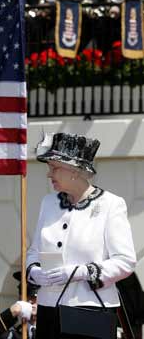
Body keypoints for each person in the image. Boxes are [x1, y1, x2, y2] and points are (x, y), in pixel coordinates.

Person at [26, 132, 136, 339]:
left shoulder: (111, 205)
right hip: (49, 309)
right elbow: (33, 252)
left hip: (90, 310)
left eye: (54, 167)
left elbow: (126, 261)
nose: (49, 174)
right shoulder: (48, 203)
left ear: (75, 171)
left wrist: (81, 272)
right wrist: (34, 271)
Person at [0, 272, 38, 339]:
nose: (29, 300)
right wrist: (12, 311)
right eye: (25, 294)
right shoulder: (9, 335)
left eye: (33, 296)